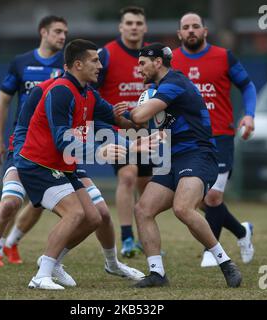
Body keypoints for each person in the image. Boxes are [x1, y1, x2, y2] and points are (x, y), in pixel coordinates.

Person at [0, 39, 149, 290]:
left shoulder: (87, 93)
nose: (100, 65)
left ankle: (69, 263)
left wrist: (144, 120)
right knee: (12, 205)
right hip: (33, 160)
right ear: (76, 65)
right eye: (95, 60)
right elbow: (50, 137)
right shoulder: (54, 90)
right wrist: (105, 149)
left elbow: (114, 117)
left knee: (96, 216)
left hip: (64, 162)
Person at [129, 43, 242, 288]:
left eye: (142, 63)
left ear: (158, 62)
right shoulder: (157, 90)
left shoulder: (174, 83)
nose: (139, 69)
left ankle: (225, 262)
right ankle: (157, 274)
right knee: (143, 209)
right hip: (172, 160)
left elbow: (138, 117)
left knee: (183, 208)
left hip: (198, 155)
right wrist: (126, 114)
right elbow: (142, 123)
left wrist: (131, 112)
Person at [171, 12, 255, 267]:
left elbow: (247, 86)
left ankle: (212, 250)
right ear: (179, 34)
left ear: (205, 31)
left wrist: (249, 115)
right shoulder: (172, 60)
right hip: (187, 139)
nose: (191, 31)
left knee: (213, 198)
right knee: (197, 199)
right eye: (186, 27)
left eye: (196, 26)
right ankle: (242, 232)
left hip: (221, 136)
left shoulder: (223, 56)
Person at [0, 15, 68, 267]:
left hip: (55, 141)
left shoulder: (68, 63)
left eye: (65, 32)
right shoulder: (21, 62)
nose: (62, 36)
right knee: (13, 197)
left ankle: (12, 242)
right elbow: (3, 101)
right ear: (43, 32)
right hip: (24, 140)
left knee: (42, 200)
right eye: (57, 31)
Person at [95, 6, 153, 257]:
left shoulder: (153, 55)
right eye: (128, 23)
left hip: (145, 130)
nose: (133, 27)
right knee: (128, 176)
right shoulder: (106, 54)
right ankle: (127, 238)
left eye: (138, 23)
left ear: (145, 27)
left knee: (147, 185)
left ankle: (146, 239)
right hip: (116, 130)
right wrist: (108, 116)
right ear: (121, 27)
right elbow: (90, 89)